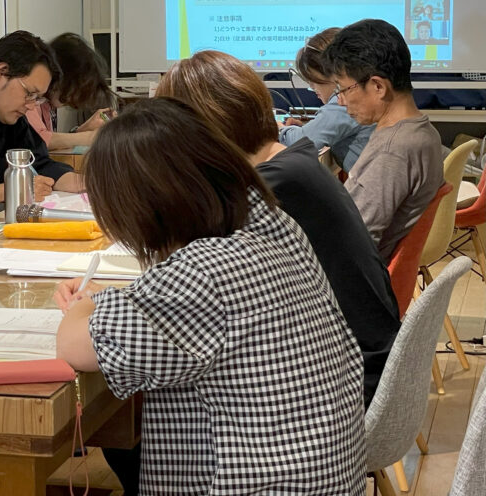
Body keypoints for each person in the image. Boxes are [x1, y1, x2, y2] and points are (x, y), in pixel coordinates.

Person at [54, 99, 365, 496]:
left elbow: (75, 346)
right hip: (323, 474)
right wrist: (111, 300)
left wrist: (83, 301)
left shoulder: (201, 272)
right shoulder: (270, 222)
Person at [157, 50, 399, 408]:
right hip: (360, 361)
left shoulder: (272, 187)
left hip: (346, 385)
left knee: (151, 410)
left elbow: (189, 277)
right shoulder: (295, 161)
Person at [324, 18, 444, 260]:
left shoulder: (394, 151)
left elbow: (353, 244)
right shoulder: (422, 131)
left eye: (343, 89)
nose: (341, 101)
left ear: (378, 86)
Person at [0, 31, 84, 215]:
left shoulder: (12, 120)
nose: (31, 105)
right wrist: (9, 189)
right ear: (0, 73)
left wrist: (84, 183)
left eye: (38, 98)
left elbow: (40, 163)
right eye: (29, 93)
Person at [280, 27, 374, 172]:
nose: (311, 87)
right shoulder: (364, 91)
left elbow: (302, 142)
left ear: (333, 74)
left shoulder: (345, 101)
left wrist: (278, 129)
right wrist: (309, 127)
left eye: (313, 79)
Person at [25, 32, 116, 151]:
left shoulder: (47, 103)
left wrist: (83, 130)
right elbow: (40, 140)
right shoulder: (30, 98)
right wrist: (90, 137)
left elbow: (47, 144)